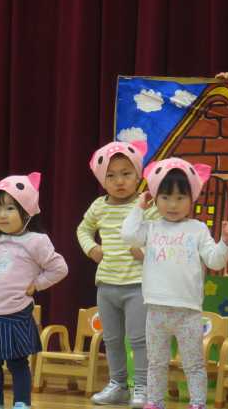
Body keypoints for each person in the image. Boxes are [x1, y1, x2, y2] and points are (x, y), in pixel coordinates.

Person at [121, 157, 228, 409]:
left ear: (192, 199)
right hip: (156, 309)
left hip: (188, 312)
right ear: (155, 198)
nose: (172, 204)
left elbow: (215, 261)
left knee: (193, 363)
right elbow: (128, 235)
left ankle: (197, 403)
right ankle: (154, 402)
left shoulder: (198, 229)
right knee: (156, 362)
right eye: (165, 197)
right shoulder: (150, 228)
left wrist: (225, 242)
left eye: (180, 198)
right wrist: (139, 207)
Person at [0, 173, 68, 409]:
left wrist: (37, 284)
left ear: (27, 210)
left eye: (10, 208)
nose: (2, 215)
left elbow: (59, 268)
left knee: (17, 362)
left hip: (16, 312)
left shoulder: (36, 241)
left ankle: (21, 402)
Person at [76, 140, 157, 408]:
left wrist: (145, 251)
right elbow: (83, 229)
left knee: (139, 338)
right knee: (111, 339)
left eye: (126, 173)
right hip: (107, 284)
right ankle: (118, 385)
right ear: (102, 180)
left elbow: (162, 234)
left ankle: (142, 386)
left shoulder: (146, 204)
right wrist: (91, 248)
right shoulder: (99, 206)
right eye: (111, 175)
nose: (119, 181)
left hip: (138, 284)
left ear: (138, 175)